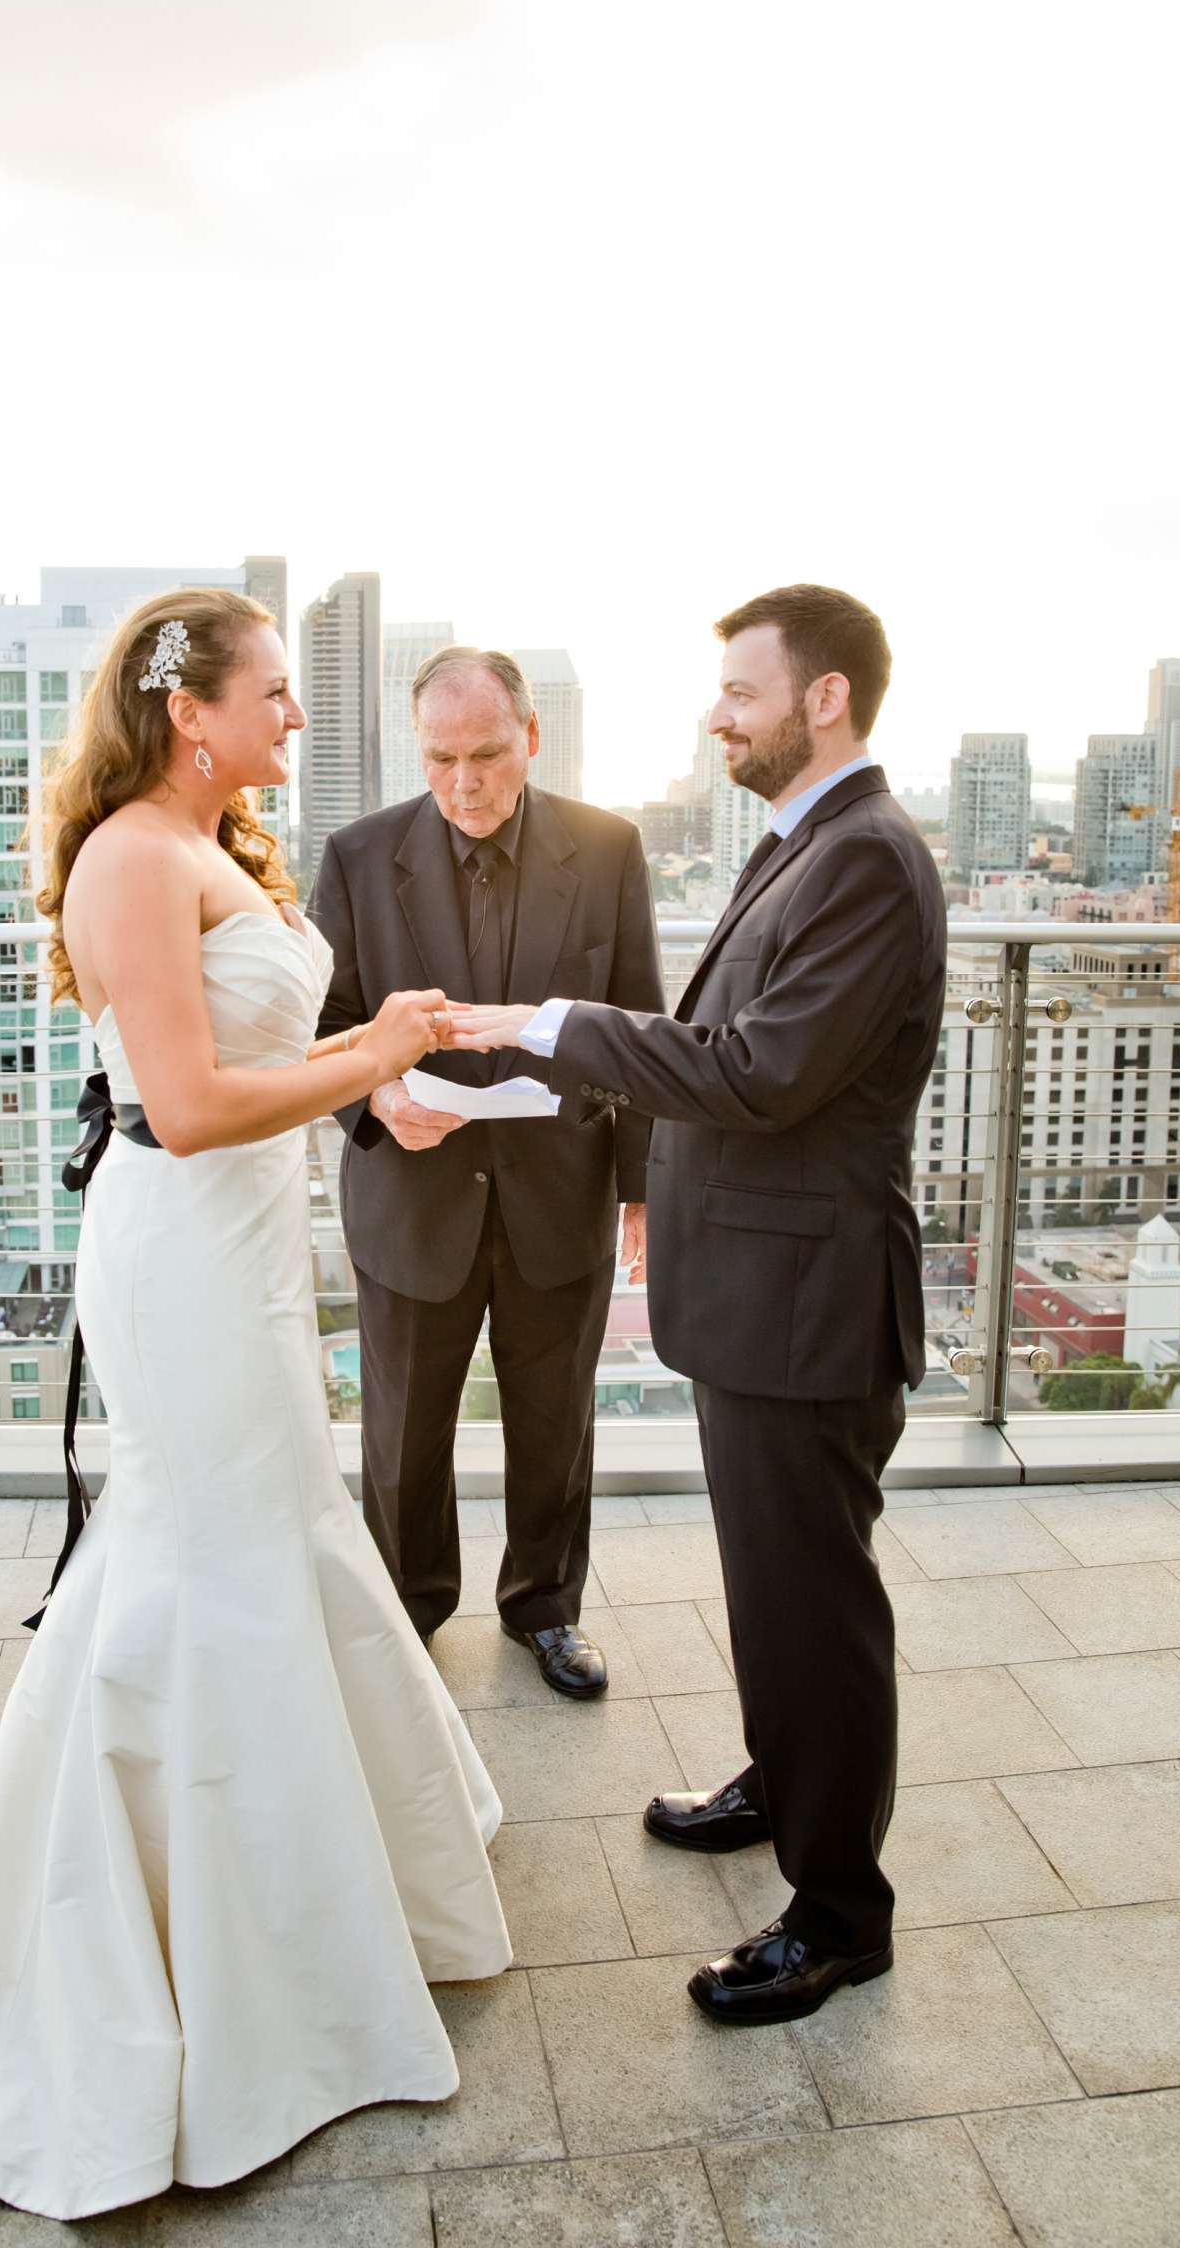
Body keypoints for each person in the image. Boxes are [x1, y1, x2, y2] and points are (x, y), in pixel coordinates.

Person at [0, 589, 512, 2219]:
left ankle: (309, 1884)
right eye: (273, 697)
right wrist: (372, 1040)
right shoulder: (127, 856)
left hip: (247, 1250)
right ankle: (194, 1936)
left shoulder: (219, 846)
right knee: (218, 1555)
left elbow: (269, 1053)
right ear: (196, 713)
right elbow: (181, 1103)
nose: (295, 720)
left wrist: (386, 1089)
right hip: (182, 1257)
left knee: (277, 1534)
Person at [450, 584, 947, 2024]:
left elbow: (755, 1071)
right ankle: (782, 1784)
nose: (717, 714)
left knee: (815, 1612)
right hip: (762, 1295)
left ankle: (841, 1913)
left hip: (812, 1308)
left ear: (827, 699)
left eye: (741, 690)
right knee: (774, 1592)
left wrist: (549, 1023)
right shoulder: (808, 846)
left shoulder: (865, 862)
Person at [310, 645, 664, 1695]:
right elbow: (324, 1027)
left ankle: (545, 1611)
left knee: (554, 1424)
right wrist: (376, 1097)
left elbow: (639, 1020)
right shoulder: (359, 856)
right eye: (441, 757)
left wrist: (641, 1188)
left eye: (487, 755)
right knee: (402, 1431)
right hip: (411, 1191)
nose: (464, 782)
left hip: (562, 1190)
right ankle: (405, 1616)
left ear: (531, 738)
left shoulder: (606, 849)